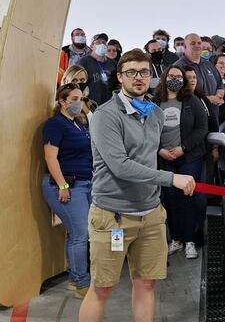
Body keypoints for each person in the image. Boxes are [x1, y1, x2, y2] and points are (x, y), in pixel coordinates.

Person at [79, 50, 196, 322]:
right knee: (102, 288)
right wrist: (171, 179)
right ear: (120, 77)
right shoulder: (106, 116)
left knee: (146, 284)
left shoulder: (155, 113)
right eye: (131, 72)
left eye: (144, 72)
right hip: (114, 216)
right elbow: (120, 166)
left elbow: (150, 154)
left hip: (151, 213)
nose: (138, 78)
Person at [42, 83, 93, 299]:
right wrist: (62, 185)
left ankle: (74, 277)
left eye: (80, 99)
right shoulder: (55, 124)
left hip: (85, 183)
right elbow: (50, 157)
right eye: (74, 99)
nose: (79, 103)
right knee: (80, 235)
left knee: (76, 234)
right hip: (68, 186)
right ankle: (82, 284)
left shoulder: (78, 123)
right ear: (62, 102)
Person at [154, 66, 209, 260]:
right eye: (171, 76)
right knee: (170, 200)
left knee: (188, 198)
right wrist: (159, 149)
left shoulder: (191, 100)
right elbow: (146, 128)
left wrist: (183, 148)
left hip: (189, 157)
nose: (174, 79)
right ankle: (176, 239)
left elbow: (202, 127)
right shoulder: (155, 101)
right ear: (165, 77)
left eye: (178, 76)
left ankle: (190, 240)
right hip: (164, 157)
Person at [174, 33, 225, 114]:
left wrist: (218, 96)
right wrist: (208, 99)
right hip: (191, 116)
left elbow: (219, 84)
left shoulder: (208, 64)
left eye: (199, 43)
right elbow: (174, 94)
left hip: (212, 115)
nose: (197, 46)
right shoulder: (177, 67)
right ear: (185, 46)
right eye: (193, 43)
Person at [78, 33, 117, 106]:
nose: (102, 44)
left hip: (110, 105)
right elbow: (78, 84)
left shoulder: (113, 63)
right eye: (98, 42)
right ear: (91, 46)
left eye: (104, 42)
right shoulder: (83, 62)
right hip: (91, 105)